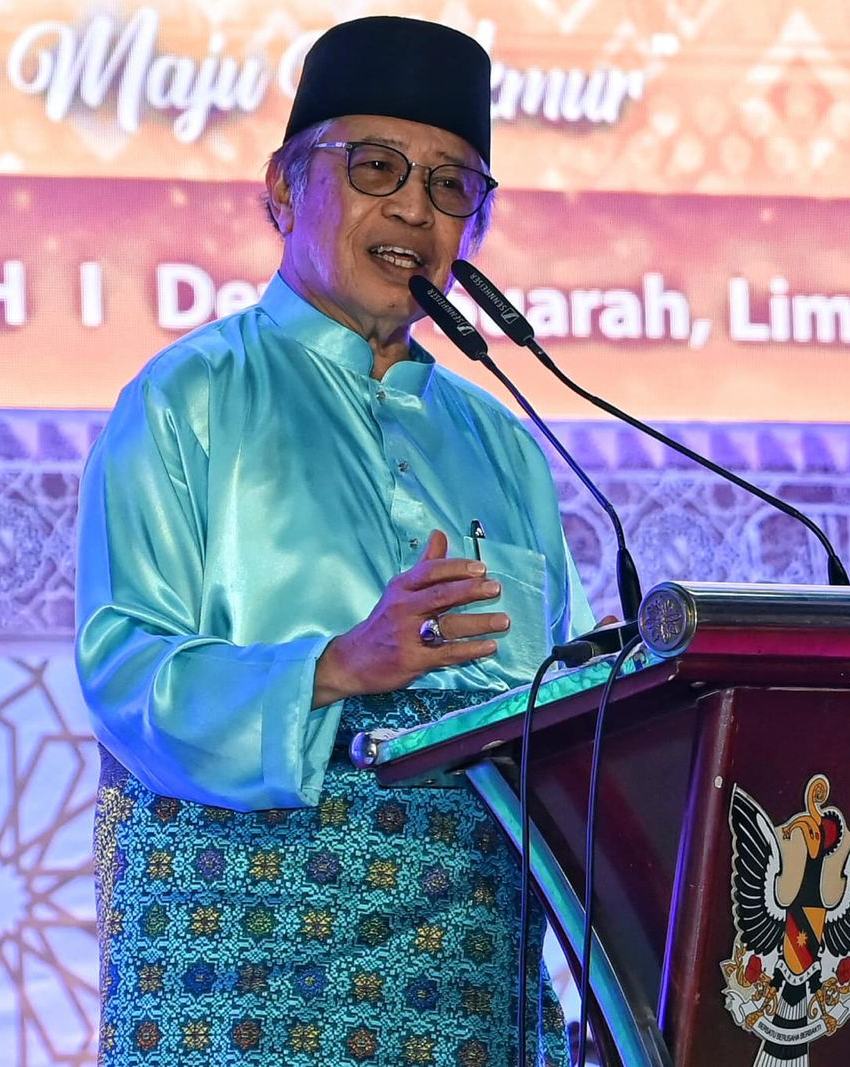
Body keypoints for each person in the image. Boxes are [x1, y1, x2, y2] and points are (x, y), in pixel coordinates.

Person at [75, 16, 594, 1065]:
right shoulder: (188, 397)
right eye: (376, 167)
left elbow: (569, 700)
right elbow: (125, 670)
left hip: (472, 995)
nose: (413, 207)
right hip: (244, 990)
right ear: (284, 188)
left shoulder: (504, 443)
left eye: (451, 184)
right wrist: (338, 665)